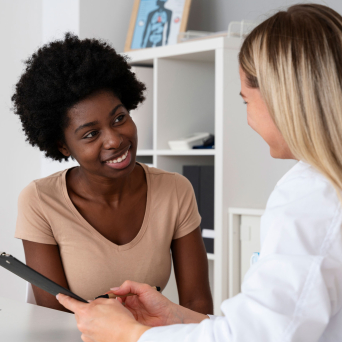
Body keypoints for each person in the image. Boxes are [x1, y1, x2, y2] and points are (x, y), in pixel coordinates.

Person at [58, 3, 342, 341]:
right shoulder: (319, 190)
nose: (248, 118)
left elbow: (258, 335)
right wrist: (175, 317)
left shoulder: (312, 196)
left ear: (281, 97)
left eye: (245, 101)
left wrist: (131, 335)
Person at [12, 33, 213, 313]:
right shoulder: (40, 200)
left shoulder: (175, 190)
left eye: (119, 118)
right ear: (63, 145)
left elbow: (197, 304)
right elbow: (52, 317)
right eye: (91, 133)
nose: (115, 140)